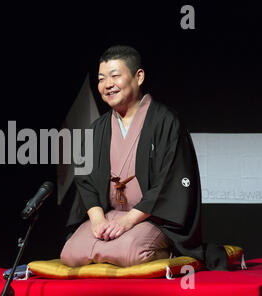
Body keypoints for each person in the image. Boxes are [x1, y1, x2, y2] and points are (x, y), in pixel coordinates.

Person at [60, 45, 228, 270]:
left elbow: (170, 183)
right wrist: (98, 220)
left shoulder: (165, 121)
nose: (107, 84)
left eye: (115, 76)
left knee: (133, 253)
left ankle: (167, 251)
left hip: (150, 218)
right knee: (70, 254)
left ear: (138, 77)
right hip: (110, 216)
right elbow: (85, 181)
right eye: (101, 78)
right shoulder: (96, 129)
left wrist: (128, 221)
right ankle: (112, 244)